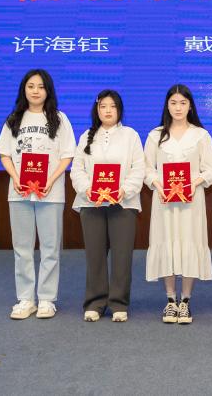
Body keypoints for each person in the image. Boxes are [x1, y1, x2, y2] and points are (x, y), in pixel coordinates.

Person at [0, 69, 76, 320]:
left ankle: (47, 299)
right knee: (22, 248)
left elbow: (67, 155)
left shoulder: (59, 119)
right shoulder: (14, 119)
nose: (36, 91)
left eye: (41, 86)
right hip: (19, 193)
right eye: (31, 86)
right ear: (24, 89)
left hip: (50, 193)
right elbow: (5, 154)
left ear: (48, 90)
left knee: (50, 248)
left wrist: (50, 180)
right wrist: (16, 178)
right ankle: (26, 299)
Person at [143, 84, 212, 324]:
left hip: (191, 201)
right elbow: (147, 169)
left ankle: (185, 300)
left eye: (183, 103)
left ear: (190, 106)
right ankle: (170, 300)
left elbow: (211, 170)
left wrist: (194, 183)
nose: (178, 108)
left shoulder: (200, 135)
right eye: (173, 103)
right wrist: (158, 184)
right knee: (166, 242)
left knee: (189, 242)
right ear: (167, 105)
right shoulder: (155, 135)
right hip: (164, 200)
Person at [71, 90, 145, 323]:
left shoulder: (131, 135)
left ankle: (118, 303)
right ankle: (95, 302)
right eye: (103, 106)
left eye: (112, 106)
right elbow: (77, 169)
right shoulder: (86, 136)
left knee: (122, 255)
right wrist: (87, 189)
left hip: (123, 203)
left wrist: (124, 190)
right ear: (97, 109)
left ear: (119, 109)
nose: (108, 111)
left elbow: (139, 168)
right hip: (91, 203)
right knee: (95, 254)